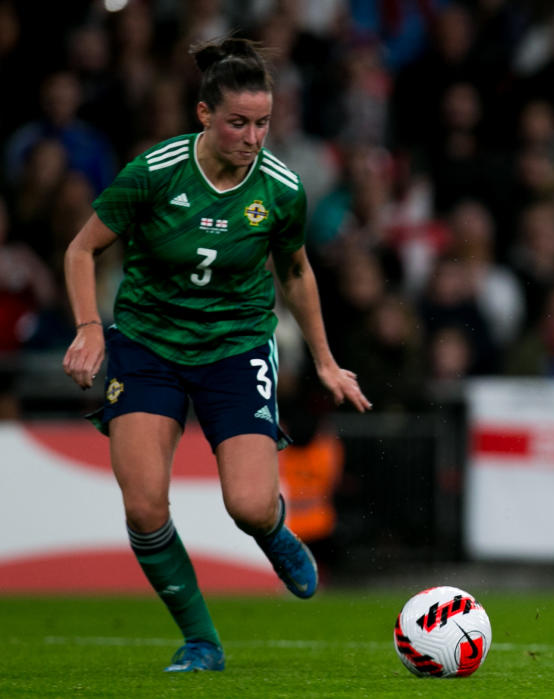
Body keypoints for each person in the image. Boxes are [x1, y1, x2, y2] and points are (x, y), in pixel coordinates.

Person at [60, 38, 372, 673]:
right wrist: (90, 327)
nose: (253, 137)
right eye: (238, 122)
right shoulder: (155, 171)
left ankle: (274, 532)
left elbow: (296, 271)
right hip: (148, 343)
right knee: (145, 505)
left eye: (262, 123)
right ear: (204, 115)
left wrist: (325, 359)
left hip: (235, 346)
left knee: (249, 504)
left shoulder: (281, 190)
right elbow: (80, 250)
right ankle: (201, 639)